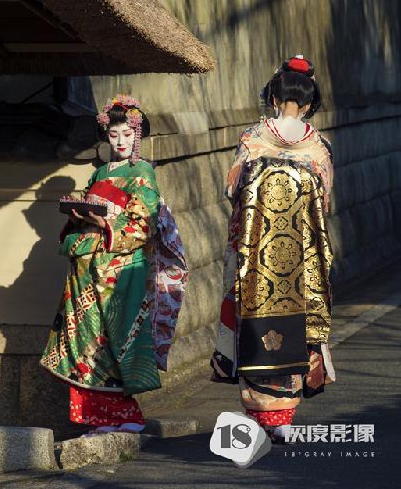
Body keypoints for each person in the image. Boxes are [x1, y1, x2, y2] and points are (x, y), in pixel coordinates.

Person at [41, 94, 188, 434]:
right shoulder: (99, 173)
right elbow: (90, 217)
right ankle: (99, 417)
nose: (120, 141)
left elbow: (143, 223)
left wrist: (106, 222)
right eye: (113, 134)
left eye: (127, 134)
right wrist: (79, 213)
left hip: (120, 269)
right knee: (86, 340)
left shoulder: (143, 173)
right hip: (87, 267)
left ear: (138, 135)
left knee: (116, 338)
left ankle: (127, 415)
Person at [210, 55, 336, 443]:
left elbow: (232, 190)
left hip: (254, 253)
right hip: (301, 260)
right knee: (298, 329)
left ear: (274, 97)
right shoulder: (318, 146)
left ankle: (258, 413)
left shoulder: (252, 139)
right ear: (310, 103)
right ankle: (284, 415)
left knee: (252, 324)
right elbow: (324, 202)